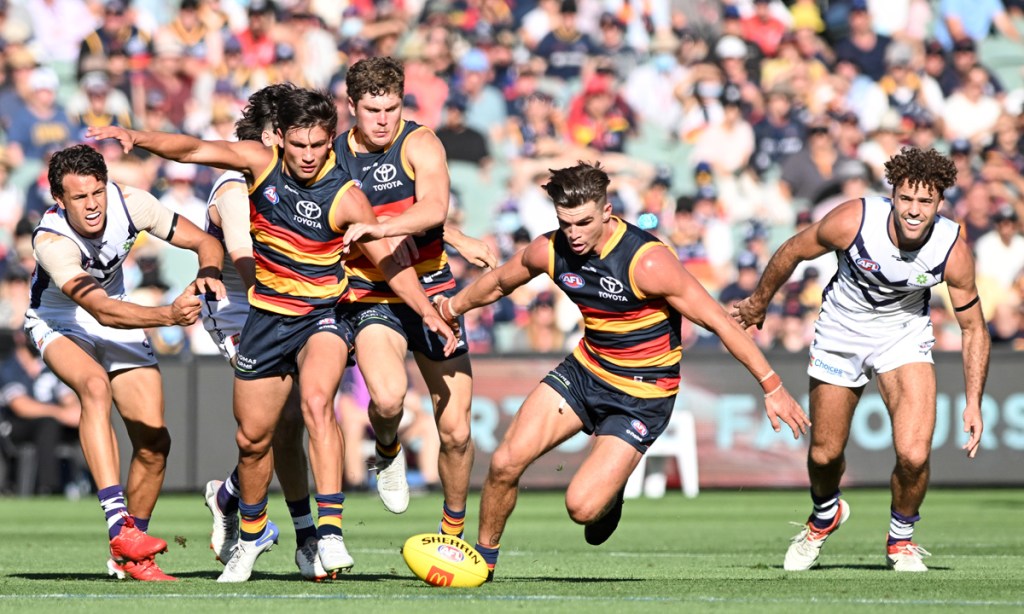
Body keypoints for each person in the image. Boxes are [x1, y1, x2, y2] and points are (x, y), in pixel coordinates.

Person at [87, 87, 456, 583]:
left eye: (319, 146)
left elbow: (390, 259)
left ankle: (328, 532)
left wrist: (426, 311)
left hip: (323, 316)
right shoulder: (259, 165)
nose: (308, 156)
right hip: (265, 319)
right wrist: (137, 136)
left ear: (331, 142)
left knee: (317, 405)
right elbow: (195, 149)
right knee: (253, 440)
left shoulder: (347, 196)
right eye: (298, 145)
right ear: (279, 138)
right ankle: (252, 532)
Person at [432, 161, 811, 580]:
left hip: (642, 395)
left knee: (582, 509)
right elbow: (501, 282)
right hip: (585, 371)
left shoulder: (647, 262)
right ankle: (482, 564)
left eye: (583, 222)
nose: (572, 233)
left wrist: (772, 385)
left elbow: (719, 322)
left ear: (608, 212)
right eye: (565, 222)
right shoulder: (551, 249)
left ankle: (611, 497)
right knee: (504, 462)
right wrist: (451, 307)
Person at [732, 147, 989, 573]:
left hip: (903, 336)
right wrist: (759, 303)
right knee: (824, 457)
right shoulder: (853, 219)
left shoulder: (952, 249)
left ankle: (901, 540)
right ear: (893, 194)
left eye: (925, 202)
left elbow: (974, 328)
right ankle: (824, 515)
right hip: (840, 332)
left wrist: (974, 401)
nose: (913, 210)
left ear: (940, 203)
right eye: (906, 198)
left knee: (913, 454)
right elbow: (794, 249)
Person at [25, 143, 226, 581]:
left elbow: (205, 241)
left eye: (97, 191)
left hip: (116, 309)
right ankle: (119, 526)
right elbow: (100, 311)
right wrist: (169, 315)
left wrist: (209, 272)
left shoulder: (132, 202)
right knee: (94, 387)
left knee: (155, 445)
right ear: (59, 201)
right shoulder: (51, 240)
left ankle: (131, 557)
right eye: (79, 198)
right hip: (61, 319)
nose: (93, 204)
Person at [335, 56, 495, 539]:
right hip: (370, 293)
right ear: (351, 107)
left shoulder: (420, 141)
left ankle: (452, 533)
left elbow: (431, 207)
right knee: (386, 401)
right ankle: (386, 451)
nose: (383, 120)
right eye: (372, 110)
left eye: (392, 108)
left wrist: (391, 229)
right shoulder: (333, 154)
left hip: (432, 286)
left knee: (457, 431)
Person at [196, 84, 325, 581]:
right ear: (272, 135)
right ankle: (283, 529)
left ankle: (238, 501)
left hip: (283, 308)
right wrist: (278, 306)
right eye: (291, 136)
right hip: (238, 311)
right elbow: (242, 251)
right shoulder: (235, 184)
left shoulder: (295, 178)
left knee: (291, 422)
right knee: (273, 424)